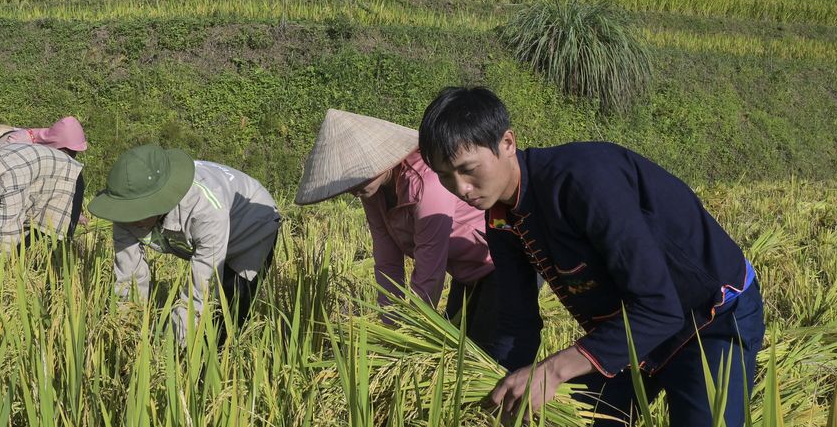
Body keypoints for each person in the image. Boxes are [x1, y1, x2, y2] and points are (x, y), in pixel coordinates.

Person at [417, 87, 764, 427]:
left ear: (507, 143)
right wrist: (496, 388)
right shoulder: (501, 220)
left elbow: (659, 308)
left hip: (710, 317)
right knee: (575, 418)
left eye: (468, 169)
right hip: (628, 329)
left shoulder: (583, 181)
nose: (461, 189)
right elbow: (516, 323)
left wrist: (552, 370)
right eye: (446, 177)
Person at [295, 108, 536, 369]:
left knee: (484, 358)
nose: (353, 189)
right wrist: (391, 326)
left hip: (498, 262)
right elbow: (387, 261)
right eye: (346, 182)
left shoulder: (426, 182)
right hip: (465, 272)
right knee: (455, 347)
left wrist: (412, 331)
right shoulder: (372, 192)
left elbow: (429, 268)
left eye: (356, 177)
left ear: (380, 160)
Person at [88, 144, 280, 341]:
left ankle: (214, 362)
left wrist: (170, 351)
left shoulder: (205, 209)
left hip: (252, 224)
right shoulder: (123, 211)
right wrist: (128, 331)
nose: (130, 218)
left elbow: (202, 286)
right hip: (211, 225)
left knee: (228, 312)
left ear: (160, 200)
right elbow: (128, 277)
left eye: (138, 210)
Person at [0, 116, 90, 224]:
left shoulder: (50, 145)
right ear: (59, 146)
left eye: (75, 154)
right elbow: (8, 190)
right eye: (68, 153)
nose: (70, 158)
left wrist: (75, 213)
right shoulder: (17, 143)